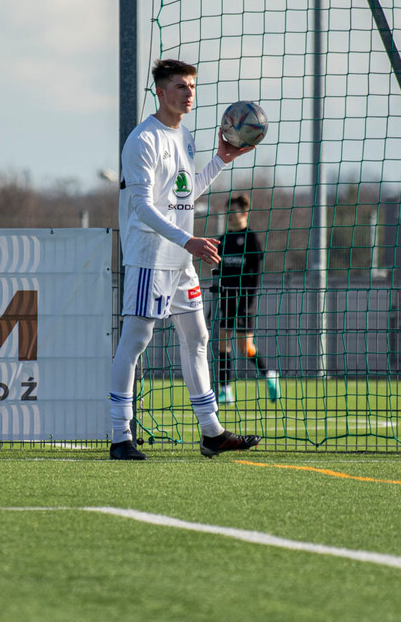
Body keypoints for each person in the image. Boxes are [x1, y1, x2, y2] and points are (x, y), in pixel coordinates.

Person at [109, 59, 260, 460]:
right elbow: (141, 206)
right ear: (160, 91)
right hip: (149, 257)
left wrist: (219, 162)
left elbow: (182, 194)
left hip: (181, 261)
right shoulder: (143, 140)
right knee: (136, 340)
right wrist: (188, 239)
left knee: (198, 337)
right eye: (180, 87)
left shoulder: (186, 137)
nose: (189, 94)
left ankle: (211, 432)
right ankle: (119, 435)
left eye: (192, 86)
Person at [214, 193, 279, 405]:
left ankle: (269, 374)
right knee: (223, 342)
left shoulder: (250, 239)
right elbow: (219, 271)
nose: (230, 216)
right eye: (228, 212)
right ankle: (226, 390)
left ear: (244, 213)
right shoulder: (222, 240)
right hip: (226, 300)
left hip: (244, 301)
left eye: (233, 212)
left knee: (245, 347)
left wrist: (249, 301)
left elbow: (256, 273)